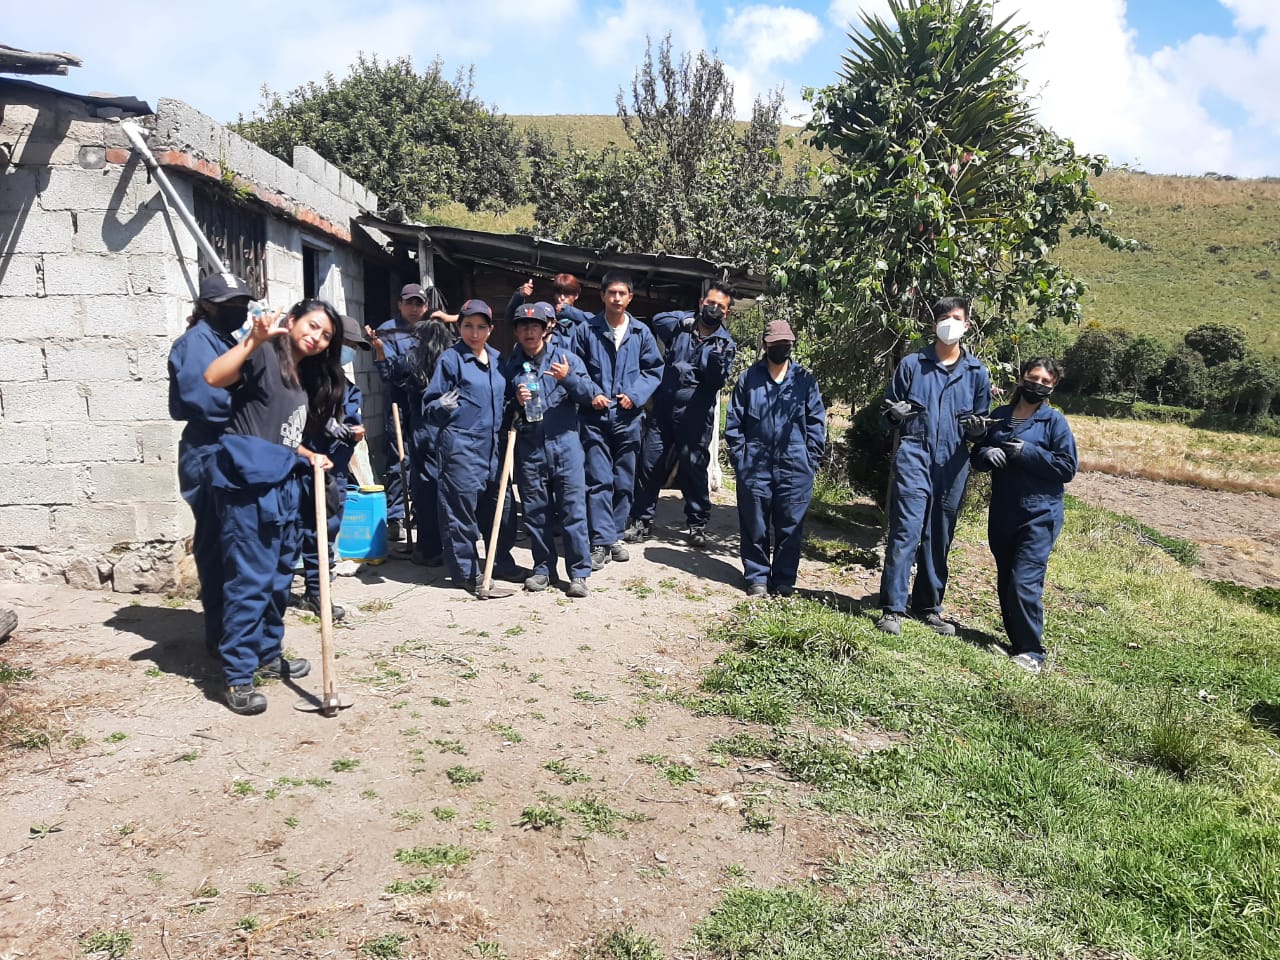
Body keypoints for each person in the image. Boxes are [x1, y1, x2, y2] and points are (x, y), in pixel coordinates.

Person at [204, 299, 345, 715]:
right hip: (248, 486)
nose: (316, 338)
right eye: (313, 326)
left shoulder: (299, 375)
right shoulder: (264, 353)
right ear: (292, 320)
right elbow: (214, 377)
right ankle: (238, 676)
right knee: (250, 581)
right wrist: (252, 339)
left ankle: (266, 653)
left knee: (280, 577)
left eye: (325, 335)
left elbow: (278, 433)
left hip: (281, 481)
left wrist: (307, 454)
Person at [876, 297, 991, 637]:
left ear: (967, 325)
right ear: (933, 324)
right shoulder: (912, 365)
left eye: (957, 317)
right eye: (944, 317)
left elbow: (981, 423)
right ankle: (892, 609)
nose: (950, 323)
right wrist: (893, 415)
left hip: (954, 463)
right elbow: (887, 412)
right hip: (915, 456)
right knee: (905, 532)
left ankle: (928, 606)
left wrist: (978, 430)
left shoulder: (977, 373)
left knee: (939, 535)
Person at [970, 358, 1078, 673]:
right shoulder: (1000, 417)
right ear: (1021, 379)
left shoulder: (1054, 422)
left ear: (1053, 387)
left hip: (1040, 512)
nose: (1038, 385)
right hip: (1004, 510)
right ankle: (1017, 643)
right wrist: (984, 452)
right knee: (1007, 578)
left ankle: (1033, 651)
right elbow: (978, 456)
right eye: (1034, 378)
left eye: (1046, 382)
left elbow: (1067, 467)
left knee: (1023, 580)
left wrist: (1028, 452)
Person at [168, 272, 252, 659]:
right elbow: (206, 397)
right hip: (209, 450)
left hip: (228, 447)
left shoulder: (222, 339)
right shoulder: (197, 343)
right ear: (206, 306)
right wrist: (254, 407)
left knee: (236, 544)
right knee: (219, 544)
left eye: (243, 303)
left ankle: (234, 633)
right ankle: (221, 637)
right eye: (231, 304)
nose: (240, 311)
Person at [626, 281, 738, 547]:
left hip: (696, 414)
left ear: (727, 313)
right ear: (701, 304)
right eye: (709, 303)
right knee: (650, 463)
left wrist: (715, 365)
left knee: (694, 468)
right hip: (664, 408)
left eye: (720, 307)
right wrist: (684, 321)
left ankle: (697, 524)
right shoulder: (681, 327)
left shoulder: (725, 344)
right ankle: (641, 519)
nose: (713, 309)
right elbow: (657, 320)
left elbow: (717, 382)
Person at [421, 300, 519, 593]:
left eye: (480, 327)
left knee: (501, 508)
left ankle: (499, 561)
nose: (474, 333)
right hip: (461, 444)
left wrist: (518, 405)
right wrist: (440, 404)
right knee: (460, 511)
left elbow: (504, 398)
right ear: (459, 327)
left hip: (494, 445)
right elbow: (429, 403)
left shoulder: (498, 359)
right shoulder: (451, 360)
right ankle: (467, 573)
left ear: (490, 329)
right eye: (467, 326)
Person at [570, 272, 664, 570]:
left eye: (622, 293)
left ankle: (614, 537)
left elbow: (653, 370)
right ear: (602, 296)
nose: (617, 298)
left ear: (630, 297)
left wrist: (635, 396)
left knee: (624, 480)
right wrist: (591, 394)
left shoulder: (641, 333)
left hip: (628, 418)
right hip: (595, 417)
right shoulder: (586, 331)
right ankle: (599, 540)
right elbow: (575, 369)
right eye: (612, 293)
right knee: (599, 480)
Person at [725, 320, 826, 596]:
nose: (781, 347)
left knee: (790, 524)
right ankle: (756, 576)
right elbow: (734, 422)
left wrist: (810, 459)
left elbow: (817, 422)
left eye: (786, 343)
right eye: (776, 343)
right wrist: (740, 458)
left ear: (792, 344)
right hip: (755, 461)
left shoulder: (805, 380)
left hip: (795, 463)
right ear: (765, 344)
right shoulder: (749, 378)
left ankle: (783, 580)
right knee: (754, 521)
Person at [505, 302, 596, 597]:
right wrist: (515, 402)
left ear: (547, 329)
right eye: (523, 326)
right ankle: (543, 569)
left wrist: (567, 379)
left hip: (566, 447)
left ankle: (579, 573)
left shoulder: (567, 359)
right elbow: (503, 409)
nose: (529, 331)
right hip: (531, 451)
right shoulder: (512, 366)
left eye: (535, 326)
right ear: (516, 331)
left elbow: (591, 395)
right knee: (536, 514)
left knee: (573, 512)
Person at [296, 315, 369, 619]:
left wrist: (352, 430)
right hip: (299, 464)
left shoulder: (348, 387)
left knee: (324, 531)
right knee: (291, 531)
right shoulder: (303, 375)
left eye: (354, 346)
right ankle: (276, 595)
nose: (350, 350)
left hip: (331, 470)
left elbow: (352, 422)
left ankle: (317, 592)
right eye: (347, 344)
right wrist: (317, 420)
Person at [366, 284, 436, 543]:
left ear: (425, 307)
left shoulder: (431, 331)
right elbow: (389, 373)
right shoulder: (387, 330)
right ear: (400, 304)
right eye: (409, 303)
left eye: (419, 304)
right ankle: (397, 516)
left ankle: (421, 510)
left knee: (426, 459)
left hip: (426, 405)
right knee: (399, 461)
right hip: (399, 404)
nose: (414, 308)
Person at [404, 317, 457, 567]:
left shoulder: (413, 359)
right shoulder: (451, 361)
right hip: (447, 432)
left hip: (422, 433)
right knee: (448, 491)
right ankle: (452, 547)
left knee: (425, 492)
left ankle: (429, 549)